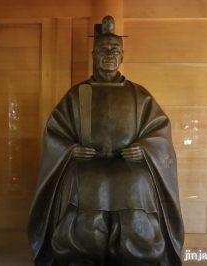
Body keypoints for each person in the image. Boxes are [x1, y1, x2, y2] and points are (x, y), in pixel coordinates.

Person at [28, 16, 184, 266]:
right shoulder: (77, 94)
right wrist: (71, 151)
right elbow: (55, 133)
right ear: (93, 54)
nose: (109, 55)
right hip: (87, 167)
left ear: (122, 56)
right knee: (85, 182)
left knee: (137, 181)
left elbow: (160, 132)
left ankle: (136, 254)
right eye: (103, 49)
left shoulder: (139, 94)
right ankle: (82, 256)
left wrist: (144, 150)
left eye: (115, 50)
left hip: (129, 167)